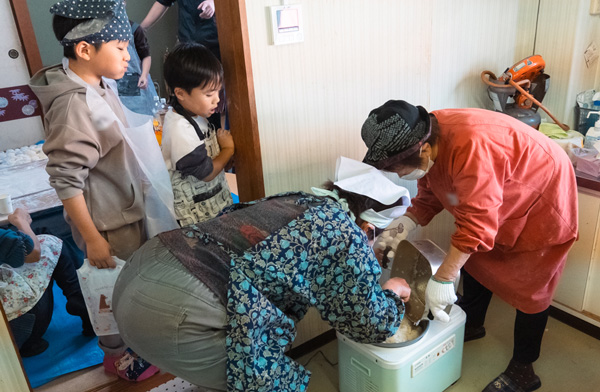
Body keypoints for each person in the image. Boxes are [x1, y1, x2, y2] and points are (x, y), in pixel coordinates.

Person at [112, 157, 412, 391]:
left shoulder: (302, 201)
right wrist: (393, 291)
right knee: (262, 379)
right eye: (376, 237)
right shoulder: (347, 233)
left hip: (141, 268)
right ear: (368, 228)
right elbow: (368, 324)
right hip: (174, 305)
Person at [362, 100, 578, 392]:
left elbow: (476, 224)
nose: (400, 176)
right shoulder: (427, 135)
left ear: (423, 150)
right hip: (497, 193)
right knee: (476, 260)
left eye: (399, 169)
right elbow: (439, 192)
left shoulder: (472, 149)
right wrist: (404, 225)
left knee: (533, 289)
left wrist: (444, 277)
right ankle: (473, 322)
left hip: (540, 195)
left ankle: (524, 369)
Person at [28, 0, 174, 381]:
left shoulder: (98, 83)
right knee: (115, 291)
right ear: (84, 49)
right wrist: (92, 237)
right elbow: (65, 179)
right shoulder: (74, 104)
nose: (128, 55)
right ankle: (119, 357)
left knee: (133, 284)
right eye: (121, 46)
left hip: (122, 206)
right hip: (106, 222)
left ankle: (134, 346)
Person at [1, 208, 93, 357]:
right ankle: (79, 298)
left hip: (6, 341)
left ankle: (78, 299)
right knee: (47, 239)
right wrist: (21, 222)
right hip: (19, 331)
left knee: (36, 233)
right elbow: (32, 252)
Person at [161, 42, 234, 226]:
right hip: (194, 215)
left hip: (212, 203)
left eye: (218, 91)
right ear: (181, 93)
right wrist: (228, 149)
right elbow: (207, 173)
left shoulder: (196, 114)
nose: (217, 99)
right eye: (209, 94)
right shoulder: (180, 130)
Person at [141, 0, 227, 128]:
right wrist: (141, 28)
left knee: (213, 102)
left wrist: (215, 1)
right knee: (188, 101)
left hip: (217, 44)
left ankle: (214, 140)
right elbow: (163, 0)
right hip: (187, 43)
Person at [109, 0, 159, 116]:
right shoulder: (104, 32)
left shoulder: (134, 29)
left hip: (136, 81)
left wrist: (144, 75)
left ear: (124, 3)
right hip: (112, 82)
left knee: (140, 116)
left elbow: (146, 55)